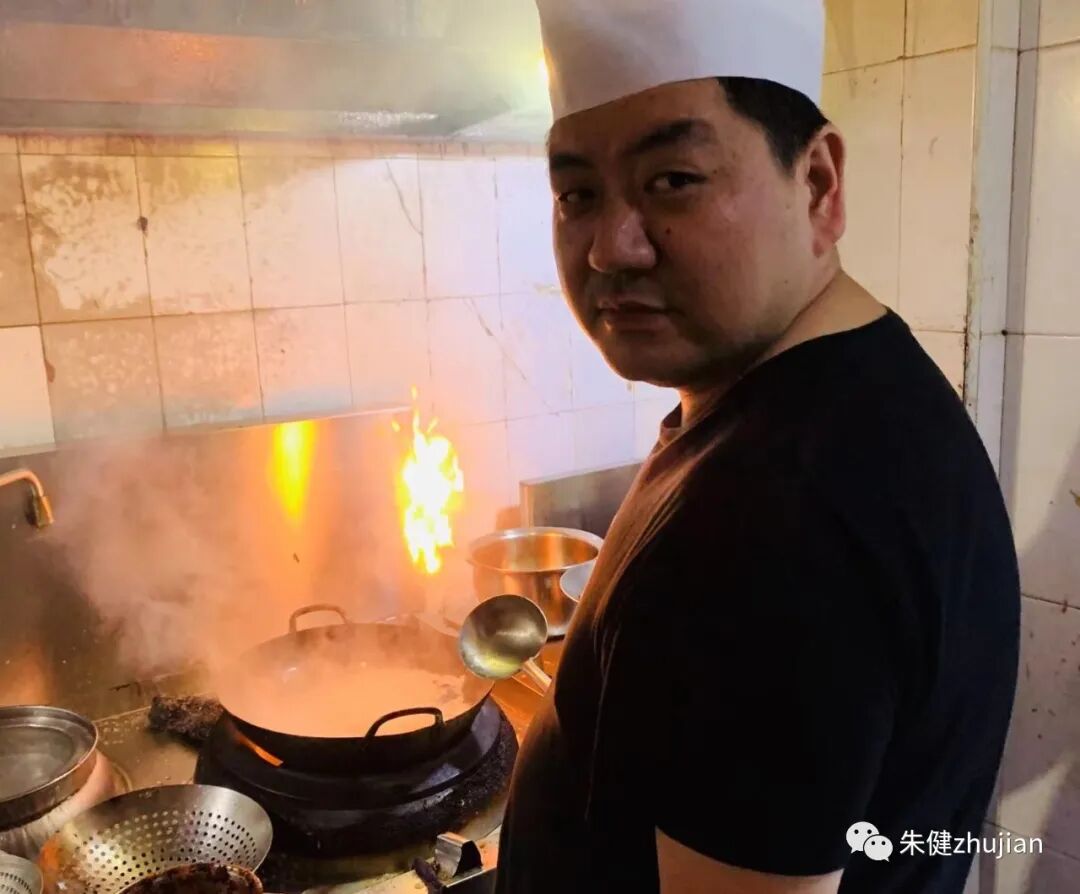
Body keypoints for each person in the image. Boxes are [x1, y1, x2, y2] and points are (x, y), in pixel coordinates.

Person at [494, 1, 1021, 892]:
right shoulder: (846, 394)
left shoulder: (775, 523)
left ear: (817, 183)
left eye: (673, 179)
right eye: (577, 194)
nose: (611, 249)